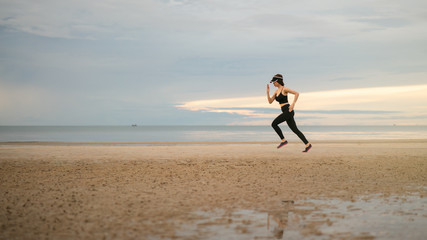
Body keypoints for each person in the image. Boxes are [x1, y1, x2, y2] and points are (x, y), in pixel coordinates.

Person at [267, 74, 312, 152]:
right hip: (285, 112)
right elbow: (270, 101)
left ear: (278, 81)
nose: (273, 83)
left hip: (288, 111)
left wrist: (293, 104)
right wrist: (267, 92)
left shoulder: (284, 89)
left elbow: (296, 93)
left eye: (274, 82)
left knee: (274, 124)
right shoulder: (276, 91)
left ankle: (283, 140)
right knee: (295, 130)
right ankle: (307, 144)